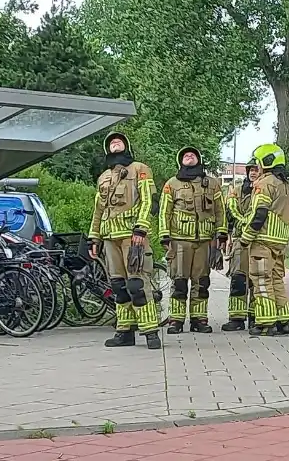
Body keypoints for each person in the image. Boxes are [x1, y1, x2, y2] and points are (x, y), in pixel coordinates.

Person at [88, 131, 161, 350]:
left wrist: (141, 228)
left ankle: (150, 332)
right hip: (110, 238)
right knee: (118, 286)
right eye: (111, 142)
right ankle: (124, 331)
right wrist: (94, 237)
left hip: (133, 236)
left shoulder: (140, 169)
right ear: (107, 149)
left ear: (126, 145)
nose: (115, 143)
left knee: (137, 284)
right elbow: (98, 210)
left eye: (118, 140)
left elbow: (149, 199)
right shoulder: (104, 177)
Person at [158, 147, 227, 334]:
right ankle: (176, 321)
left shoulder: (212, 184)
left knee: (202, 282)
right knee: (179, 282)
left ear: (199, 159)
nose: (189, 157)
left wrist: (221, 233)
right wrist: (164, 235)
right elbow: (165, 211)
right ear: (180, 160)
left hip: (204, 241)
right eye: (186, 155)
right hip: (179, 241)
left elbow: (220, 210)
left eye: (193, 155)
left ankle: (199, 320)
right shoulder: (171, 184)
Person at [238, 144, 289, 336]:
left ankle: (265, 323)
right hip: (279, 241)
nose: (257, 167)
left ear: (266, 162)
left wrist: (246, 238)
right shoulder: (285, 184)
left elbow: (260, 213)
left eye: (258, 163)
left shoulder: (264, 183)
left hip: (262, 240)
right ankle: (283, 320)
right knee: (277, 279)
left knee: (261, 280)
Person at [223, 161, 259, 331]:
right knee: (238, 278)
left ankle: (255, 316)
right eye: (251, 170)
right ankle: (236, 318)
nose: (253, 173)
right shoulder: (236, 190)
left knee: (257, 280)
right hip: (239, 239)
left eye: (256, 170)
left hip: (259, 240)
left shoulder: (264, 190)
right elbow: (230, 210)